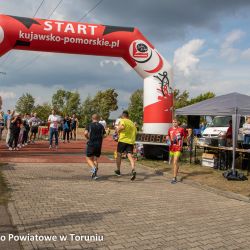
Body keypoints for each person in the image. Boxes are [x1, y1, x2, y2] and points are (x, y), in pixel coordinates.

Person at [114, 110, 137, 181]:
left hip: (123, 140)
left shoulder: (123, 120)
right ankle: (133, 169)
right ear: (128, 116)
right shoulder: (132, 123)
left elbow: (122, 127)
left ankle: (118, 170)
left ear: (123, 116)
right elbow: (135, 132)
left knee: (119, 154)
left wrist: (117, 131)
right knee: (130, 155)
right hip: (130, 142)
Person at [84, 114, 106, 179]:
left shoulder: (89, 125)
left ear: (92, 118)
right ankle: (95, 175)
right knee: (95, 159)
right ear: (98, 118)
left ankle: (93, 168)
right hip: (99, 145)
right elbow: (104, 136)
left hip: (91, 144)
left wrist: (87, 137)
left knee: (88, 158)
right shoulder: (101, 126)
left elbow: (85, 133)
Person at [166, 118, 185, 184]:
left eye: (175, 122)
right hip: (171, 148)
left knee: (175, 162)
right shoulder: (170, 129)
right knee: (172, 162)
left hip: (178, 148)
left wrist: (182, 145)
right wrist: (167, 138)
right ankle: (177, 167)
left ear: (178, 122)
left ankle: (174, 178)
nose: (174, 123)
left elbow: (183, 137)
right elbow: (168, 136)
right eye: (173, 122)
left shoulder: (181, 129)